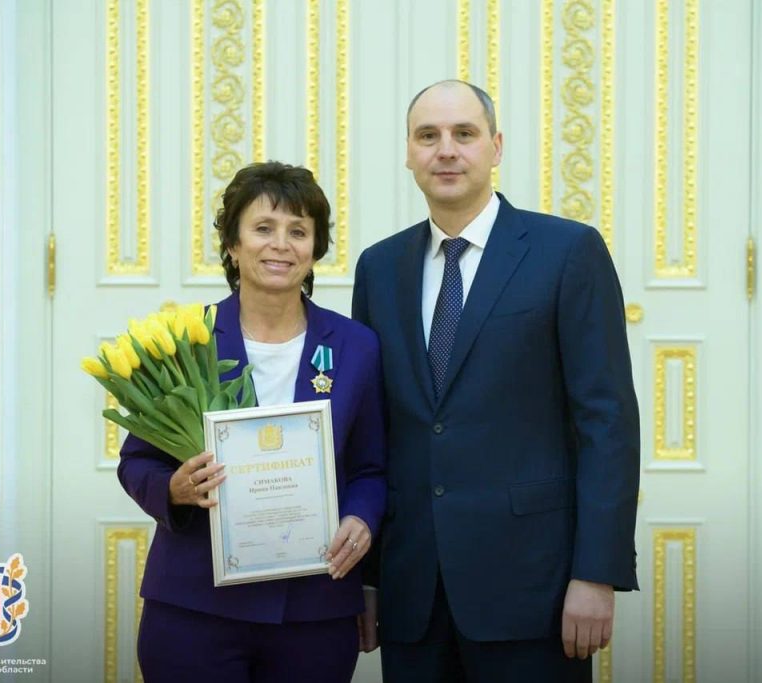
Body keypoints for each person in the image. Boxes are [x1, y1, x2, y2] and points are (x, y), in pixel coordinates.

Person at [352, 80, 640, 682]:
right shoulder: (379, 267)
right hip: (413, 593)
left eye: (464, 133)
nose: (446, 150)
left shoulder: (568, 251)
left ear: (496, 146)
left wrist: (597, 572)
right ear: (408, 153)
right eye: (427, 136)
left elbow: (606, 421)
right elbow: (373, 433)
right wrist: (370, 577)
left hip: (534, 588)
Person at [118, 161, 386, 682]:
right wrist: (174, 489)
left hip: (315, 610)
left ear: (315, 248)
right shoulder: (185, 339)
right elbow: (137, 462)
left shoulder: (357, 346)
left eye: (298, 231)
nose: (280, 245)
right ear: (233, 244)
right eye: (263, 228)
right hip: (195, 606)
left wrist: (361, 518)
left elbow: (371, 468)